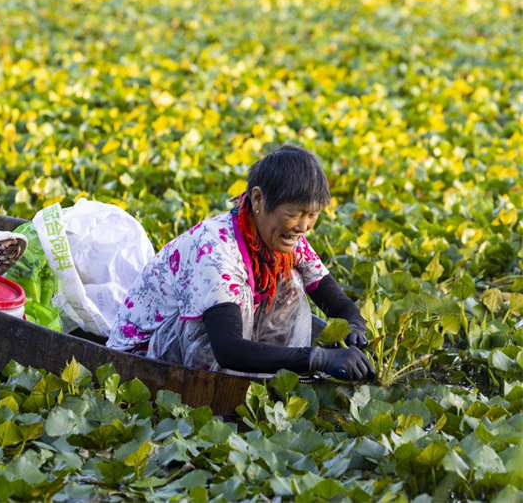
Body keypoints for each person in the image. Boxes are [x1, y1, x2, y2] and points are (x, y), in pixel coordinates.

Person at [106, 144, 375, 380]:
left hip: (211, 344)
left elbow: (337, 303)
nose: (304, 226)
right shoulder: (216, 248)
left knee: (291, 282)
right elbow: (229, 349)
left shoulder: (285, 240)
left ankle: (264, 379)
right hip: (142, 358)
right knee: (246, 293)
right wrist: (316, 359)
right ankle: (227, 390)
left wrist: (354, 327)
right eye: (294, 214)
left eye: (312, 215)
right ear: (258, 199)